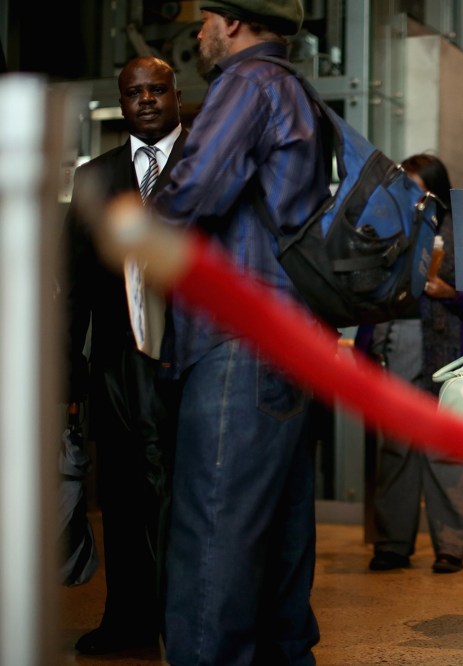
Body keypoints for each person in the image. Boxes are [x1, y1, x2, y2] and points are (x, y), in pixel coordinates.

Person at [150, 2, 326, 663]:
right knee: (278, 539)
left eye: (205, 19)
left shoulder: (248, 83)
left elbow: (194, 190)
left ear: (232, 22)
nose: (197, 33)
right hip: (285, 340)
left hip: (237, 339)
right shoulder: (299, 90)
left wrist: (131, 226)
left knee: (213, 541)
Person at [63, 55, 186, 656]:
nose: (145, 100)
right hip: (116, 363)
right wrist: (69, 371)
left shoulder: (206, 165)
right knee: (121, 494)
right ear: (120, 100)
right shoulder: (95, 177)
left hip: (192, 359)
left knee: (188, 494)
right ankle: (128, 620)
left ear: (175, 94)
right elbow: (74, 285)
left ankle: (187, 617)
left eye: (156, 89)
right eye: (133, 92)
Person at [367, 154, 463, 574]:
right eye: (404, 186)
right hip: (397, 339)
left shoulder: (462, 231)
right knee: (396, 447)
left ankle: (451, 545)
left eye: (417, 186)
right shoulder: (386, 227)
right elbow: (372, 294)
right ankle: (391, 544)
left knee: (447, 447)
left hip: (450, 345)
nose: (410, 195)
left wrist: (448, 291)